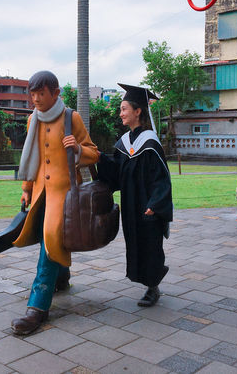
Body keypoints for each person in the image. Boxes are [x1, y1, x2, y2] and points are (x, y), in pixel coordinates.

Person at [10, 70, 98, 335]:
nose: (36, 99)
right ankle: (62, 277)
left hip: (65, 194)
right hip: (40, 192)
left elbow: (94, 153)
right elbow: (32, 158)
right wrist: (27, 189)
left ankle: (37, 307)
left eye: (41, 93)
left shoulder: (72, 118)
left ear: (55, 93)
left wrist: (78, 149)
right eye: (32, 94)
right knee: (44, 235)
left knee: (49, 241)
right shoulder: (32, 120)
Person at [97, 84, 172, 307]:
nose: (120, 113)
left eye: (124, 109)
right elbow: (116, 173)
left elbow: (161, 179)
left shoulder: (150, 143)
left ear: (137, 111)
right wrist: (99, 157)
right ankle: (150, 278)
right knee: (135, 242)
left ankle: (153, 287)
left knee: (151, 244)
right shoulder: (124, 143)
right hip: (130, 205)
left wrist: (155, 204)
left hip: (147, 205)